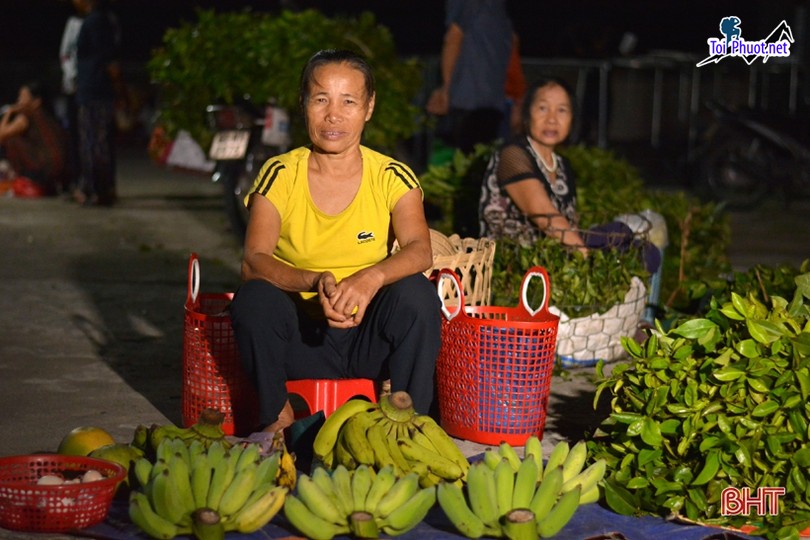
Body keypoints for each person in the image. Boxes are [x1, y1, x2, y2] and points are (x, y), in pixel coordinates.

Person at [229, 49, 442, 435]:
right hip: (302, 343)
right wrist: (314, 281)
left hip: (368, 342)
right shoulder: (279, 174)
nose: (333, 115)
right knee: (254, 298)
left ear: (369, 107)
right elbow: (253, 260)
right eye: (321, 99)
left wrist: (370, 279)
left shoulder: (392, 176)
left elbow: (419, 249)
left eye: (349, 101)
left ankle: (412, 424)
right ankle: (277, 419)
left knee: (416, 295)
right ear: (304, 104)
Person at [479, 76, 586, 250]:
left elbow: (569, 224)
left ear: (572, 119)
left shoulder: (562, 165)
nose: (552, 119)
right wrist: (587, 258)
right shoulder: (512, 155)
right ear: (528, 114)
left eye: (562, 110)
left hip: (552, 263)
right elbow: (545, 217)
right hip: (512, 267)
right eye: (543, 108)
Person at [426, 0, 515, 154]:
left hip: (480, 103)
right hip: (476, 103)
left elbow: (454, 37)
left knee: (472, 163)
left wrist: (446, 89)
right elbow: (454, 37)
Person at [73, 0, 124, 206]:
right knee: (97, 141)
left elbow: (108, 60)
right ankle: (98, 188)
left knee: (93, 142)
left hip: (95, 90)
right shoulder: (100, 20)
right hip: (95, 89)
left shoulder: (96, 21)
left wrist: (120, 89)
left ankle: (96, 189)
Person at [0, 82, 68, 195]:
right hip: (58, 173)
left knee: (10, 139)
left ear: (36, 102)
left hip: (43, 171)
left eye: (22, 97)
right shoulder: (49, 116)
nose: (19, 101)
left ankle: (23, 178)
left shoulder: (27, 116)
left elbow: (1, 135)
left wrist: (9, 112)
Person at [58, 5, 85, 195]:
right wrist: (72, 75)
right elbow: (64, 54)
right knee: (74, 135)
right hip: (74, 87)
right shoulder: (73, 23)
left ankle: (98, 182)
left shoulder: (106, 20)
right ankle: (75, 180)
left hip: (93, 88)